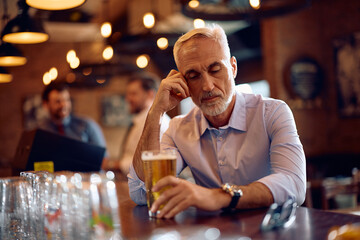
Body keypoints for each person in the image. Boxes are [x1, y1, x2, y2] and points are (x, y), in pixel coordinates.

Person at [128, 24, 306, 219]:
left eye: (215, 70)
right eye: (194, 76)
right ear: (183, 83)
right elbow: (142, 192)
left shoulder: (272, 113)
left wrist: (219, 196)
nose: (207, 86)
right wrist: (156, 111)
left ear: (233, 68)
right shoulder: (178, 129)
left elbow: (294, 184)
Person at [117, 73, 170, 173]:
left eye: (133, 94)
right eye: (127, 94)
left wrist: (116, 165)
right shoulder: (139, 121)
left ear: (150, 94)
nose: (127, 99)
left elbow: (151, 163)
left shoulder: (159, 124)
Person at [38, 81, 107, 148]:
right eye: (58, 101)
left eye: (67, 100)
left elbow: (103, 158)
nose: (64, 105)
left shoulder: (88, 126)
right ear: (45, 104)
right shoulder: (40, 132)